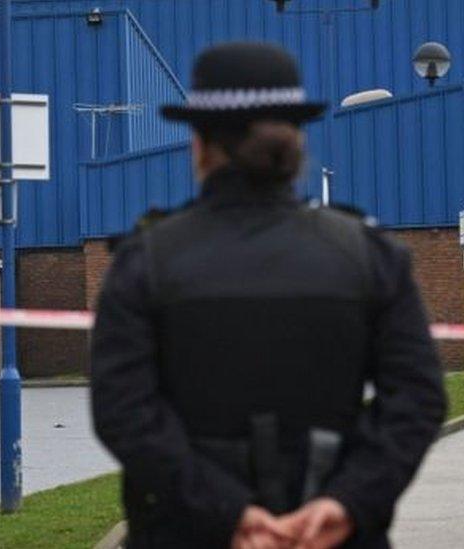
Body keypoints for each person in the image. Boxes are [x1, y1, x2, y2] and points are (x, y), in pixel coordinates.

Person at [90, 42, 447, 549]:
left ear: (200, 145)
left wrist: (227, 512)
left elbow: (124, 412)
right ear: (295, 141)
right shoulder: (368, 255)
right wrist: (347, 501)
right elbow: (416, 398)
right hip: (332, 533)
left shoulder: (146, 261)